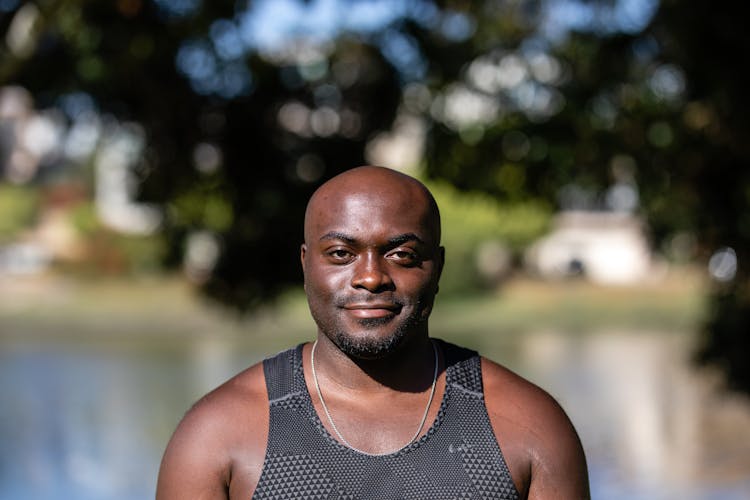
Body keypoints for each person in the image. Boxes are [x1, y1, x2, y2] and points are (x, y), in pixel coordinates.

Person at [156, 166, 590, 499]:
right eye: (342, 253)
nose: (370, 277)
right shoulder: (216, 434)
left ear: (436, 267)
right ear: (306, 264)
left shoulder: (528, 424)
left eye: (402, 254)